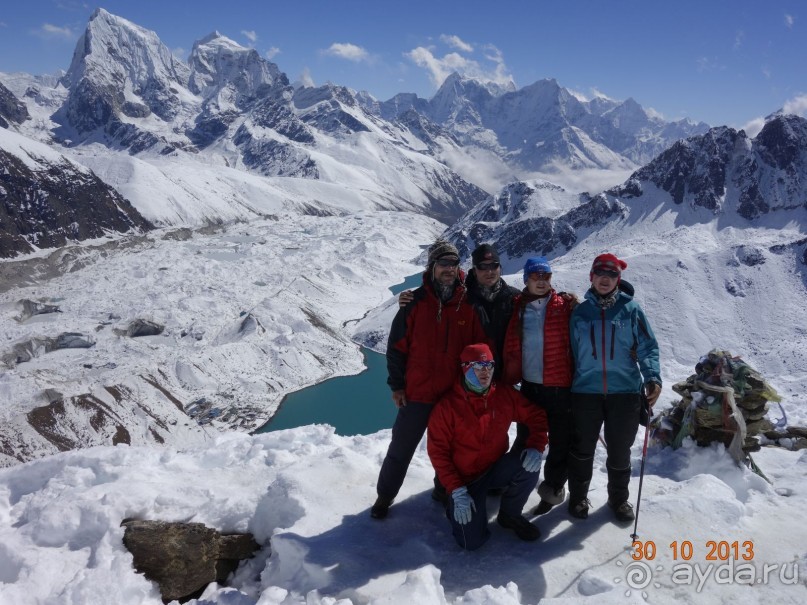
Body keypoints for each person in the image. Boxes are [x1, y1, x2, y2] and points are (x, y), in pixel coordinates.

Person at [371, 239, 486, 519]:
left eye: (454, 263)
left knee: (450, 448)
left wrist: (473, 387)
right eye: (443, 263)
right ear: (432, 266)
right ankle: (385, 496)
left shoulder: (468, 304)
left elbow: (478, 348)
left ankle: (442, 489)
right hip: (417, 393)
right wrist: (397, 385)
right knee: (401, 448)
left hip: (452, 394)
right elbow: (397, 348)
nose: (449, 268)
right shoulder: (414, 303)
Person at [566, 253, 662, 522]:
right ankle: (578, 497)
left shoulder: (631, 310)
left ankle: (618, 500)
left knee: (620, 451)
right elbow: (571, 353)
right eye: (600, 273)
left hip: (625, 392)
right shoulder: (580, 313)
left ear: (618, 279)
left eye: (611, 274)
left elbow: (647, 347)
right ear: (591, 277)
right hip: (585, 392)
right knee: (582, 449)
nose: (605, 279)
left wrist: (652, 377)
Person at [427, 343, 548, 550]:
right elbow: (438, 452)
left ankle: (510, 515)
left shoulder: (503, 395)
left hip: (495, 467)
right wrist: (456, 489)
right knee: (471, 542)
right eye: (478, 366)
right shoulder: (447, 407)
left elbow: (536, 415)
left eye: (489, 365)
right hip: (465, 480)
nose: (485, 372)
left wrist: (537, 445)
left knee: (529, 464)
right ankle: (453, 503)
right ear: (465, 368)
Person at [503, 256, 576, 516]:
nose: (542, 281)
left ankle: (551, 492)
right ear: (526, 280)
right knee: (526, 440)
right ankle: (513, 484)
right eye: (536, 276)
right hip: (531, 387)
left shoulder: (564, 306)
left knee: (559, 444)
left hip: (560, 388)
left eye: (546, 276)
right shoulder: (517, 307)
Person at [399, 243, 519, 381]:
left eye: (494, 265)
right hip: (476, 377)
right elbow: (436, 295)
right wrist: (412, 299)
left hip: (508, 375)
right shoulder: (463, 297)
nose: (489, 271)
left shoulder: (515, 298)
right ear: (474, 270)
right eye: (483, 266)